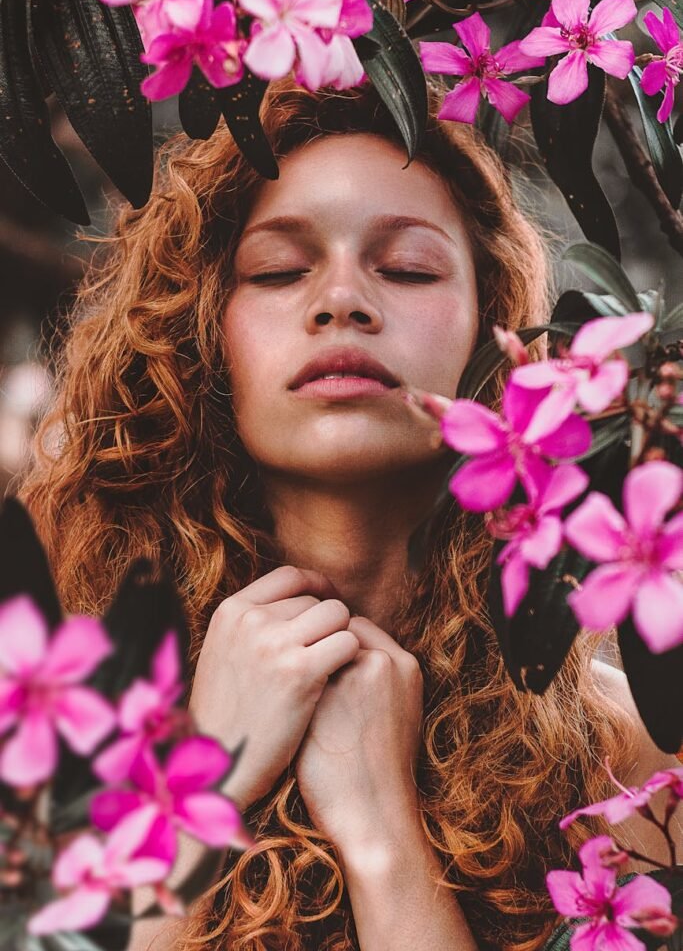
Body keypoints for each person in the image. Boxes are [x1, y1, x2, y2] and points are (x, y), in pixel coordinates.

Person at [17, 79, 682, 951]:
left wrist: (383, 841)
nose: (341, 300)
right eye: (278, 270)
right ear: (199, 332)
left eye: (405, 268)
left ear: (491, 331)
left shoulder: (629, 764)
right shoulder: (50, 722)